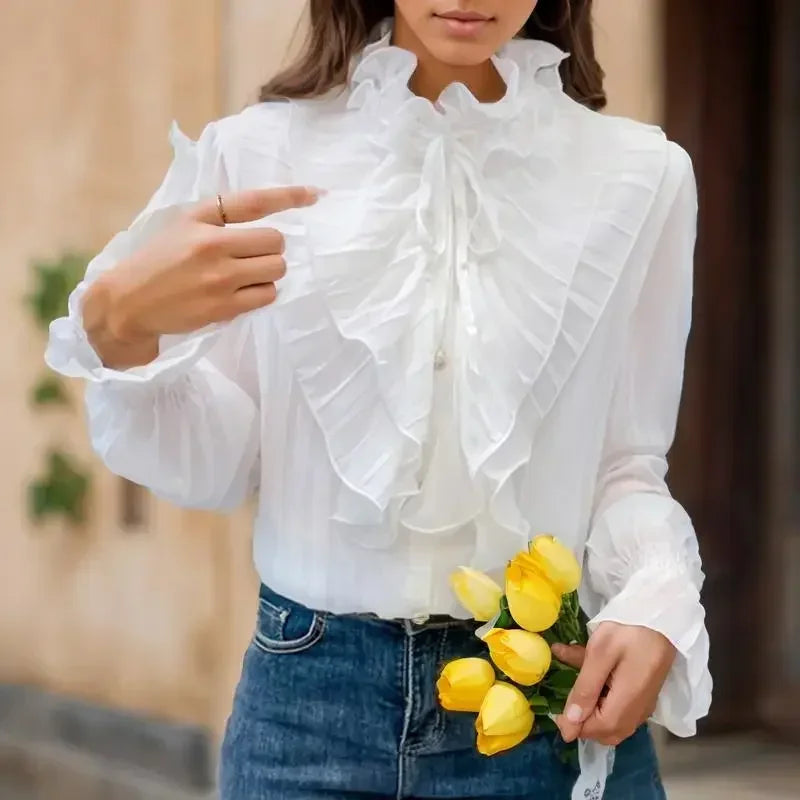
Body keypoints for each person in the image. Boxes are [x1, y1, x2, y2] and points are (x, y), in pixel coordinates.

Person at [46, 1, 712, 798]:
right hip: (304, 716)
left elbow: (627, 463)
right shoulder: (254, 155)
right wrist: (119, 328)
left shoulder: (642, 177)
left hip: (541, 714)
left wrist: (657, 597)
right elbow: (217, 464)